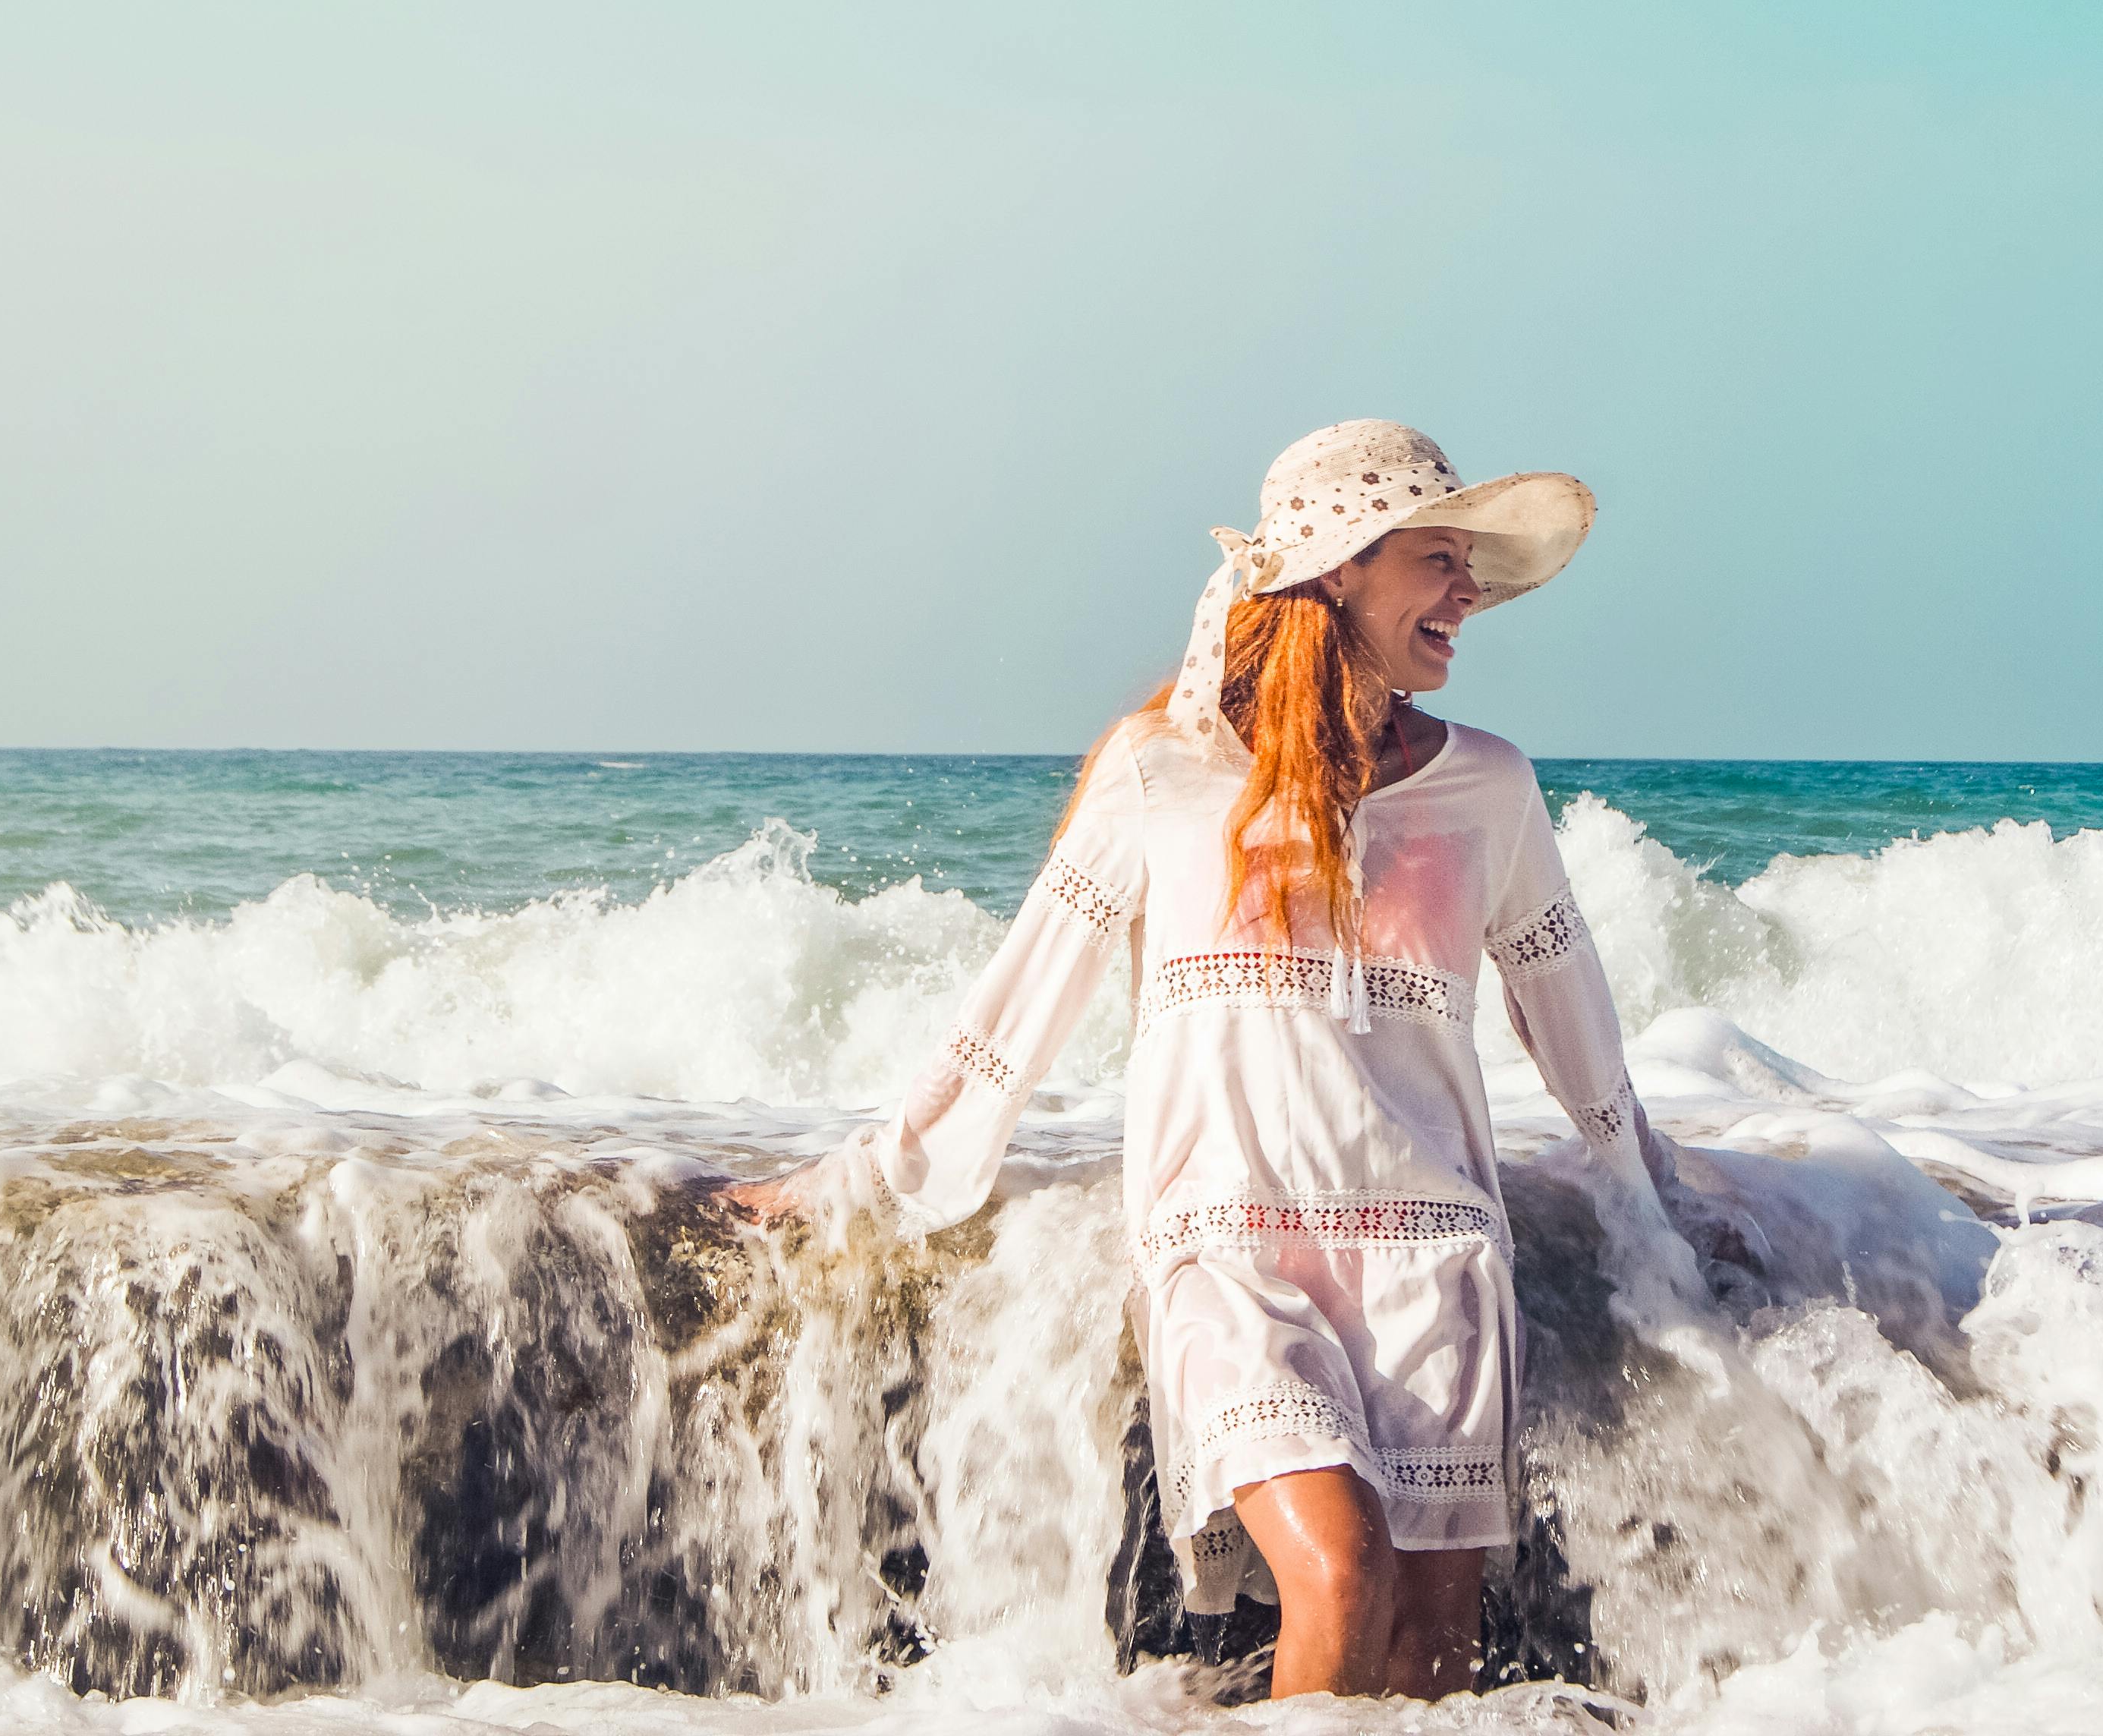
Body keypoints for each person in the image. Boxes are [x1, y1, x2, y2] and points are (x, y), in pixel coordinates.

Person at [720, 420, 1691, 1700]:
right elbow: (1020, 1005)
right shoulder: (1162, 772)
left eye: (1470, 567)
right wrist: (857, 1180)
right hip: (1227, 1251)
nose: (1469, 595)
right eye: (1438, 561)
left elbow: (1574, 1027)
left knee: (1433, 1655)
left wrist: (1657, 1209)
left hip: (1432, 1262)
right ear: (1340, 569)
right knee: (1342, 1578)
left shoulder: (1490, 790)